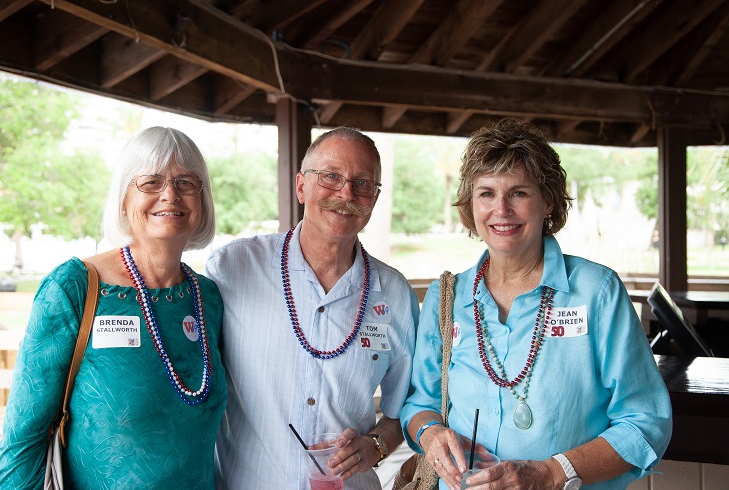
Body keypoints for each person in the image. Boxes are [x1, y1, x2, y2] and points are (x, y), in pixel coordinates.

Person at [401, 119, 672, 490]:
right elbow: (421, 404)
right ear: (471, 204)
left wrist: (552, 473)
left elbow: (645, 422)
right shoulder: (446, 297)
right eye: (486, 193)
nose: (501, 209)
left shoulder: (597, 292)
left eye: (518, 193)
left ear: (548, 201)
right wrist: (431, 433)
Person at [0, 127, 228, 488]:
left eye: (185, 182)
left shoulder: (207, 297)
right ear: (123, 199)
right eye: (150, 182)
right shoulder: (74, 287)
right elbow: (22, 440)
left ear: (203, 198)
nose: (170, 194)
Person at [206, 127, 418, 489]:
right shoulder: (233, 269)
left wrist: (375, 445)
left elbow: (409, 408)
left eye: (362, 183)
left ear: (374, 198)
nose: (346, 194)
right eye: (331, 176)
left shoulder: (395, 295)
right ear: (301, 186)